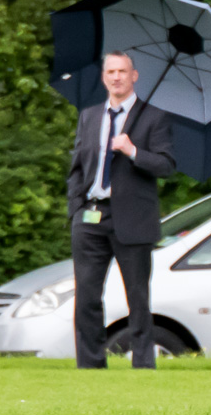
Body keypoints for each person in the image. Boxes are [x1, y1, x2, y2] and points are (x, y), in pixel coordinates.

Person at [67, 51, 176, 369]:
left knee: (138, 297)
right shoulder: (89, 116)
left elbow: (166, 165)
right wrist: (76, 207)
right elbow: (77, 167)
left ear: (134, 76)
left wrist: (133, 151)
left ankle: (143, 362)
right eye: (111, 71)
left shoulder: (154, 117)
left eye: (122, 71)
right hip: (91, 216)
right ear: (104, 77)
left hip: (132, 219)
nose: (116, 77)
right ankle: (90, 364)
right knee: (86, 295)